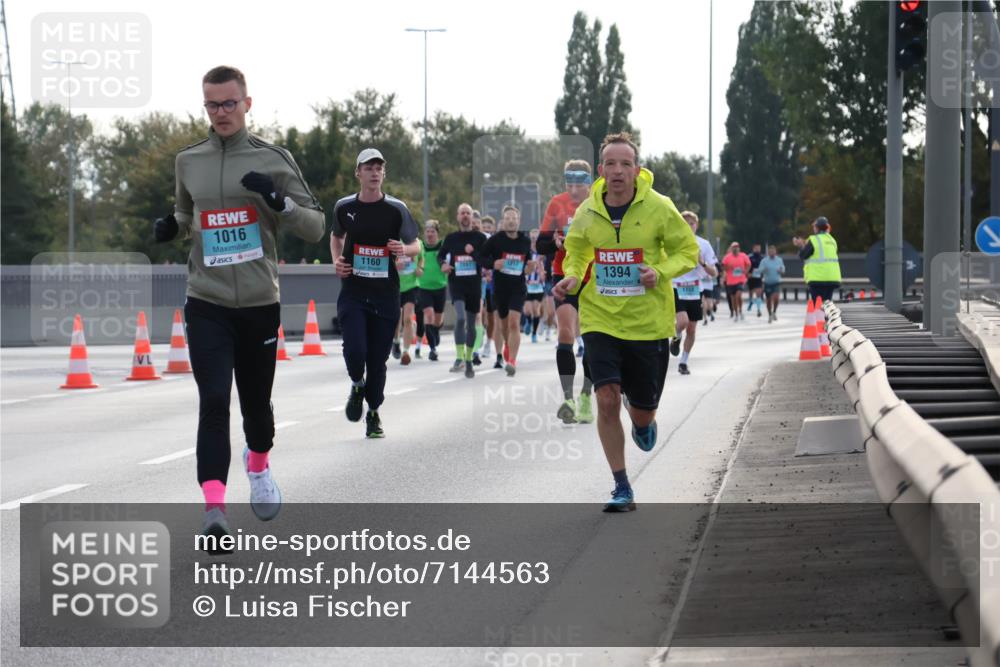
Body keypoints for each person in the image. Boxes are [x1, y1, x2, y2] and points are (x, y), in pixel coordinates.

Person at [154, 65, 325, 543]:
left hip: (257, 303)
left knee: (255, 406)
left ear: (247, 103)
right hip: (205, 300)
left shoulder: (274, 157)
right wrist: (173, 228)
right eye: (211, 104)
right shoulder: (189, 160)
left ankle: (259, 464)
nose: (220, 112)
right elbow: (187, 218)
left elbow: (315, 226)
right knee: (213, 401)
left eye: (229, 103)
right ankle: (214, 511)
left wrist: (277, 200)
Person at [553, 133, 698, 512]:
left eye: (625, 164)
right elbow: (577, 251)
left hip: (648, 323)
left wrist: (659, 270)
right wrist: (573, 274)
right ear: (601, 170)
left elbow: (688, 251)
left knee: (642, 412)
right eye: (611, 164)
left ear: (637, 169)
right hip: (601, 317)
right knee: (605, 398)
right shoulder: (587, 212)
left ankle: (642, 418)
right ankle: (621, 486)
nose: (618, 171)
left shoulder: (659, 207)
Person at [331, 148, 421, 438]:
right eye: (368, 167)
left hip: (385, 294)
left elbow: (416, 244)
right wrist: (336, 261)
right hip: (354, 291)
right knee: (355, 349)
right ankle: (357, 384)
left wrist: (403, 249)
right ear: (358, 173)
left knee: (378, 360)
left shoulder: (396, 208)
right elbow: (336, 236)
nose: (374, 172)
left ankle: (373, 412)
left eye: (378, 167)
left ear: (384, 173)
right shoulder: (344, 207)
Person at [537, 159, 596, 424]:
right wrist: (556, 242)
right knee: (565, 332)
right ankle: (568, 399)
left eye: (578, 182)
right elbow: (540, 244)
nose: (572, 188)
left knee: (594, 339)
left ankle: (586, 396)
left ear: (589, 182)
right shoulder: (557, 204)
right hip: (564, 274)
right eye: (568, 182)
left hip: (596, 276)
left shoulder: (600, 202)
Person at [478, 205, 534, 376]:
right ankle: (507, 347)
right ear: (503, 221)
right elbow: (480, 257)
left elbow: (528, 262)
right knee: (503, 326)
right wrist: (492, 264)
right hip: (500, 289)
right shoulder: (495, 240)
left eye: (514, 218)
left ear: (519, 221)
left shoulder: (525, 241)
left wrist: (529, 268)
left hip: (518, 288)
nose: (511, 221)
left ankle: (512, 361)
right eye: (508, 218)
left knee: (514, 323)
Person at [439, 203, 488, 378]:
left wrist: (473, 253)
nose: (465, 216)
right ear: (458, 217)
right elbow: (440, 255)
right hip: (457, 284)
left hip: (474, 285)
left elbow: (486, 261)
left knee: (471, 322)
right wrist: (443, 264)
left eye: (468, 213)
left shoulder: (480, 238)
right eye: (462, 213)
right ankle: (459, 357)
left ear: (471, 217)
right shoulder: (451, 238)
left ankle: (468, 358)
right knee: (460, 318)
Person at [669, 211, 718, 375]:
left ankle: (683, 362)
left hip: (695, 289)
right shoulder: (673, 242)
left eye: (692, 223)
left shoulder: (703, 245)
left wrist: (701, 262)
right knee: (682, 322)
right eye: (685, 223)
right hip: (677, 286)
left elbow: (714, 272)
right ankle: (676, 336)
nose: (689, 226)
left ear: (697, 225)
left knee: (691, 329)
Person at [417, 220, 447, 361]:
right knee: (428, 315)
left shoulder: (442, 246)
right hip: (424, 287)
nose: (429, 234)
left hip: (440, 286)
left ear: (437, 233)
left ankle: (435, 331)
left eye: (432, 231)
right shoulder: (420, 246)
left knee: (438, 320)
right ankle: (432, 349)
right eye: (427, 231)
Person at [793, 216, 841, 303]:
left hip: (817, 279)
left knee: (817, 305)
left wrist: (800, 246)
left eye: (814, 226)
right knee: (827, 305)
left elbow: (803, 255)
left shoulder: (814, 240)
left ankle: (820, 316)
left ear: (817, 228)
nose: (813, 228)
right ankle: (825, 316)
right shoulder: (832, 240)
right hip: (832, 278)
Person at [394, 231, 424, 365]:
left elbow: (421, 258)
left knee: (407, 318)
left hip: (412, 285)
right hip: (395, 285)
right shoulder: (394, 241)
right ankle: (396, 341)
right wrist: (395, 266)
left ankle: (406, 352)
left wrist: (420, 268)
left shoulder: (417, 243)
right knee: (396, 318)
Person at [524, 228, 546, 343]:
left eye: (536, 237)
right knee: (527, 310)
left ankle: (534, 333)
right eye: (532, 237)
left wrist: (542, 274)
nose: (534, 239)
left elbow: (544, 269)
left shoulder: (542, 253)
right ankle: (528, 321)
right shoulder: (526, 251)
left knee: (536, 310)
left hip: (538, 286)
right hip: (527, 285)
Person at [722, 242, 751, 320]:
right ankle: (736, 313)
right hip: (730, 281)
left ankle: (741, 311)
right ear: (731, 249)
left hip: (741, 280)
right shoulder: (727, 257)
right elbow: (723, 266)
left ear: (739, 248)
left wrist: (746, 271)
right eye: (734, 247)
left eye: (737, 247)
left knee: (738, 295)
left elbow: (748, 264)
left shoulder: (743, 256)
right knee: (733, 298)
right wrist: (727, 268)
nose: (735, 248)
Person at [758, 244, 786, 322]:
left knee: (776, 298)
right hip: (767, 282)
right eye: (770, 251)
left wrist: (781, 270)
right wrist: (764, 270)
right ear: (768, 252)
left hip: (776, 282)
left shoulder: (779, 260)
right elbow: (759, 270)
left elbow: (783, 269)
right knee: (769, 300)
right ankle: (770, 314)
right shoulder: (764, 261)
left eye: (773, 251)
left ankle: (774, 312)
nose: (772, 253)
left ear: (775, 252)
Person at [746, 243, 765, 317]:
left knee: (758, 293)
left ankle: (758, 309)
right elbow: (746, 265)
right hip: (751, 277)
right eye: (756, 248)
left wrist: (762, 273)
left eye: (759, 248)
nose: (757, 250)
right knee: (751, 292)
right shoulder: (749, 257)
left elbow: (764, 267)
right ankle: (751, 301)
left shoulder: (762, 258)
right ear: (753, 249)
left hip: (758, 278)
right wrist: (748, 273)